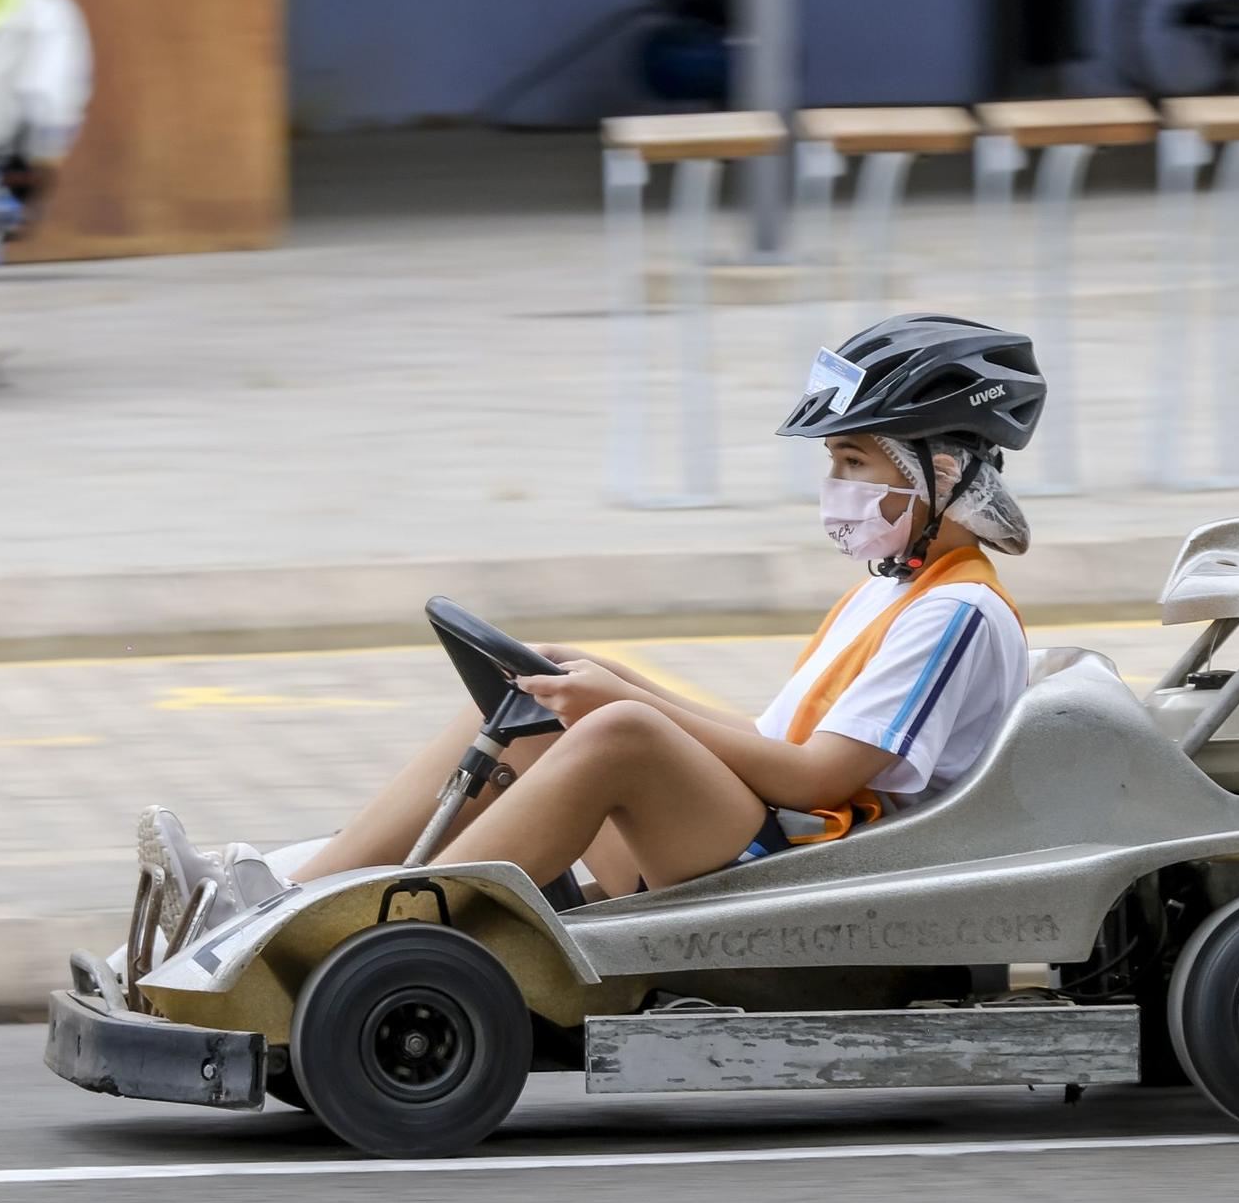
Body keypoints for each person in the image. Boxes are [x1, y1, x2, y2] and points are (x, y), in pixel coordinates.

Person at [141, 313, 1046, 931]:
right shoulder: (896, 586)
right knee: (529, 699)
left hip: (819, 876)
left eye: (854, 460)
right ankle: (277, 904)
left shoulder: (956, 611)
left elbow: (817, 779)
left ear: (943, 473)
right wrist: (608, 677)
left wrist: (625, 706)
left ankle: (377, 938)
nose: (836, 488)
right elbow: (772, 741)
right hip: (768, 836)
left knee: (614, 734)